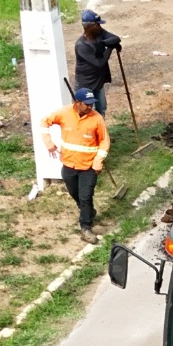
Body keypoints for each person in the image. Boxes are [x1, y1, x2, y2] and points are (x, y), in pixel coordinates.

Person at [41, 89, 111, 242]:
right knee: (75, 194)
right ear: (77, 103)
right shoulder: (64, 113)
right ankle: (89, 212)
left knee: (85, 196)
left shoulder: (97, 119)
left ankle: (86, 227)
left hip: (88, 167)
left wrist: (98, 161)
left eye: (92, 104)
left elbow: (104, 141)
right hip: (69, 165)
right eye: (87, 104)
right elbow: (44, 122)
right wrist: (48, 143)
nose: (90, 107)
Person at [73, 10, 122, 111]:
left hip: (98, 82)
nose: (99, 26)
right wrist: (110, 47)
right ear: (90, 26)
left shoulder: (99, 34)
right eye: (97, 24)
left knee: (102, 108)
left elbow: (116, 38)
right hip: (85, 85)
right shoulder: (81, 45)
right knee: (85, 111)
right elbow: (100, 63)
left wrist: (103, 43)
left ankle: (99, 126)